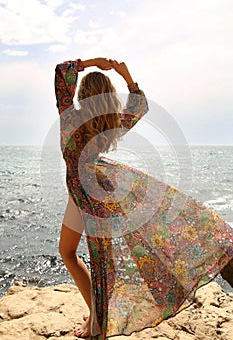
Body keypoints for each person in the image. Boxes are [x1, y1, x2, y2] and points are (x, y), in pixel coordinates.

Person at [55, 58, 233, 339]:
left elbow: (60, 72)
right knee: (76, 255)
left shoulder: (70, 119)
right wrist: (125, 74)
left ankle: (97, 325)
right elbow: (140, 104)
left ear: (81, 96)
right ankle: (96, 317)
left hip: (87, 192)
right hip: (90, 191)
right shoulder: (110, 123)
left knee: (95, 261)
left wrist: (92, 63)